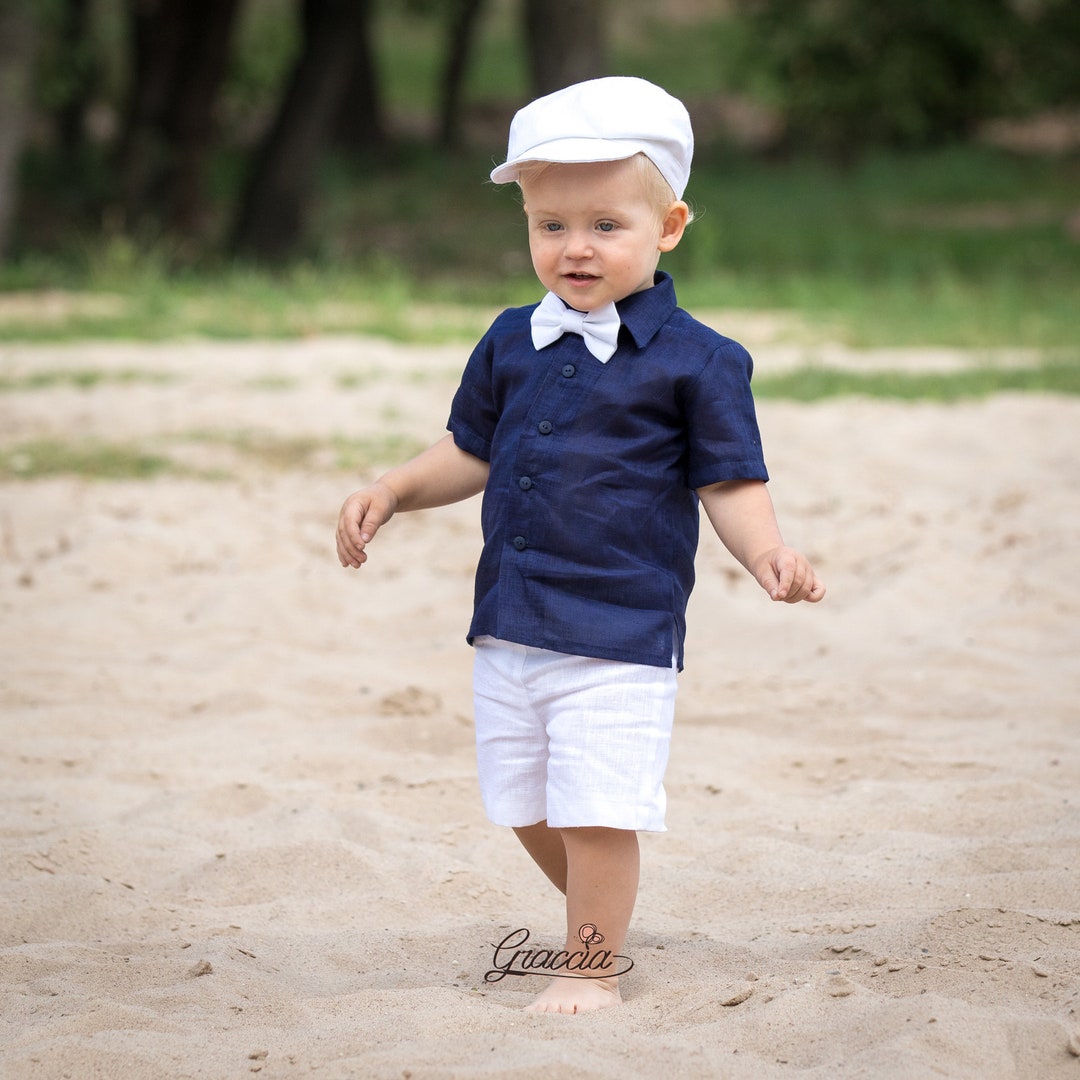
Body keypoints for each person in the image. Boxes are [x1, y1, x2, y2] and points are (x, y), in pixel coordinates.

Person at [336, 76, 825, 1015]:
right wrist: (394, 489)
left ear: (670, 225)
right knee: (524, 803)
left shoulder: (701, 360)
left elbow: (728, 478)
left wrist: (766, 553)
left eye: (606, 224)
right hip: (510, 619)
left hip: (619, 630)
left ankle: (592, 963)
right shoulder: (511, 339)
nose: (575, 248)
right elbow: (469, 450)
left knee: (599, 812)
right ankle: (601, 920)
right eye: (549, 226)